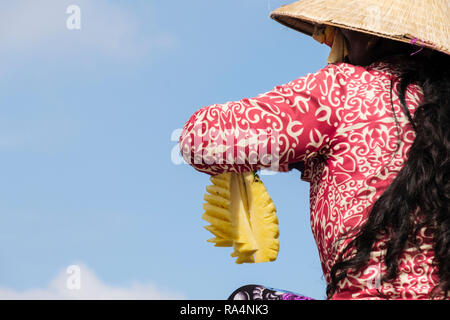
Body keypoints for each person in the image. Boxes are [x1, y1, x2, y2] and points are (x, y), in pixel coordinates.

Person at [179, 0, 449, 299]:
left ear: (370, 35)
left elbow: (203, 140)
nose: (327, 40)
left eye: (331, 31)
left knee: (247, 301)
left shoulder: (345, 90)